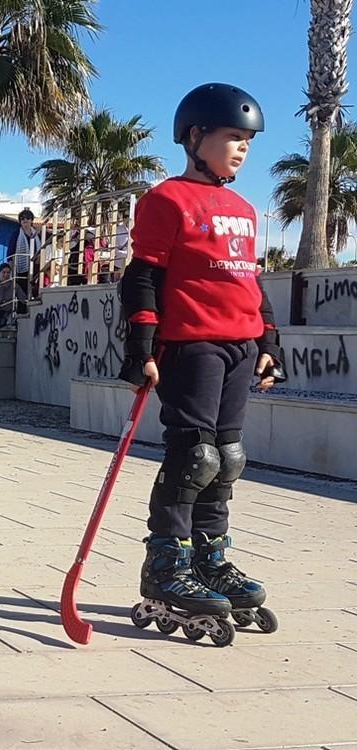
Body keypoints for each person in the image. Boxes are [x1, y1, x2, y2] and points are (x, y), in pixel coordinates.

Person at [118, 83, 284, 638]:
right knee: (196, 456)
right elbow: (143, 276)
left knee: (228, 457)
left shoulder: (242, 208)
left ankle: (210, 559)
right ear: (195, 137)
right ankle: (166, 564)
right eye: (232, 138)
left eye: (248, 141)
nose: (242, 149)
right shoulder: (166, 200)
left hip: (239, 344)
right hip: (191, 345)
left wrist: (269, 343)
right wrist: (141, 346)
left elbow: (249, 282)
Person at [7, 209, 41, 307]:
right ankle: (23, 307)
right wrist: (12, 267)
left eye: (27, 218)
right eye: (22, 218)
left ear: (31, 220)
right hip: (21, 267)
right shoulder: (16, 234)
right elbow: (10, 252)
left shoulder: (36, 234)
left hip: (35, 265)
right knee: (22, 289)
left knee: (35, 286)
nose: (25, 220)